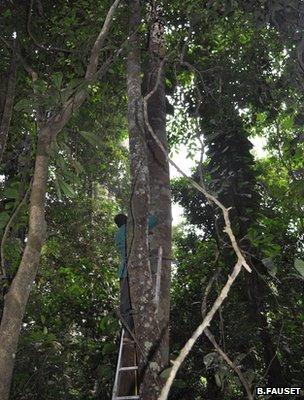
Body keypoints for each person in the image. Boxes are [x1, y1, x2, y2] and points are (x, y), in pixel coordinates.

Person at [114, 213, 157, 337]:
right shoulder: (133, 228)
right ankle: (140, 329)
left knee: (126, 304)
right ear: (128, 220)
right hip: (138, 271)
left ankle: (127, 332)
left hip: (123, 273)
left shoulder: (118, 235)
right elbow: (154, 219)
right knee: (142, 300)